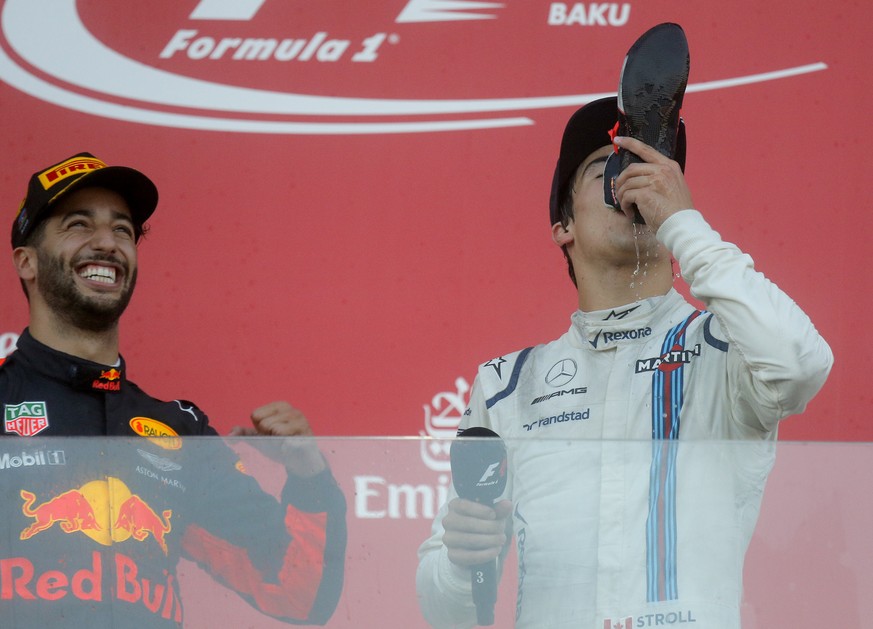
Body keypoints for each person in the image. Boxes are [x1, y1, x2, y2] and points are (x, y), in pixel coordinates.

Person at [416, 96, 833, 628]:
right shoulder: (506, 386)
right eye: (606, 167)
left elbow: (800, 364)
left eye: (646, 168)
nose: (629, 182)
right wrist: (460, 561)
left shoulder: (724, 348)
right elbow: (445, 615)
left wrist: (684, 224)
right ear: (562, 226)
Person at [0, 153, 347, 627]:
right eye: (78, 225)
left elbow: (297, 594)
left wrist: (308, 474)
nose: (107, 243)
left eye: (123, 230)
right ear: (27, 262)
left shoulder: (178, 432)